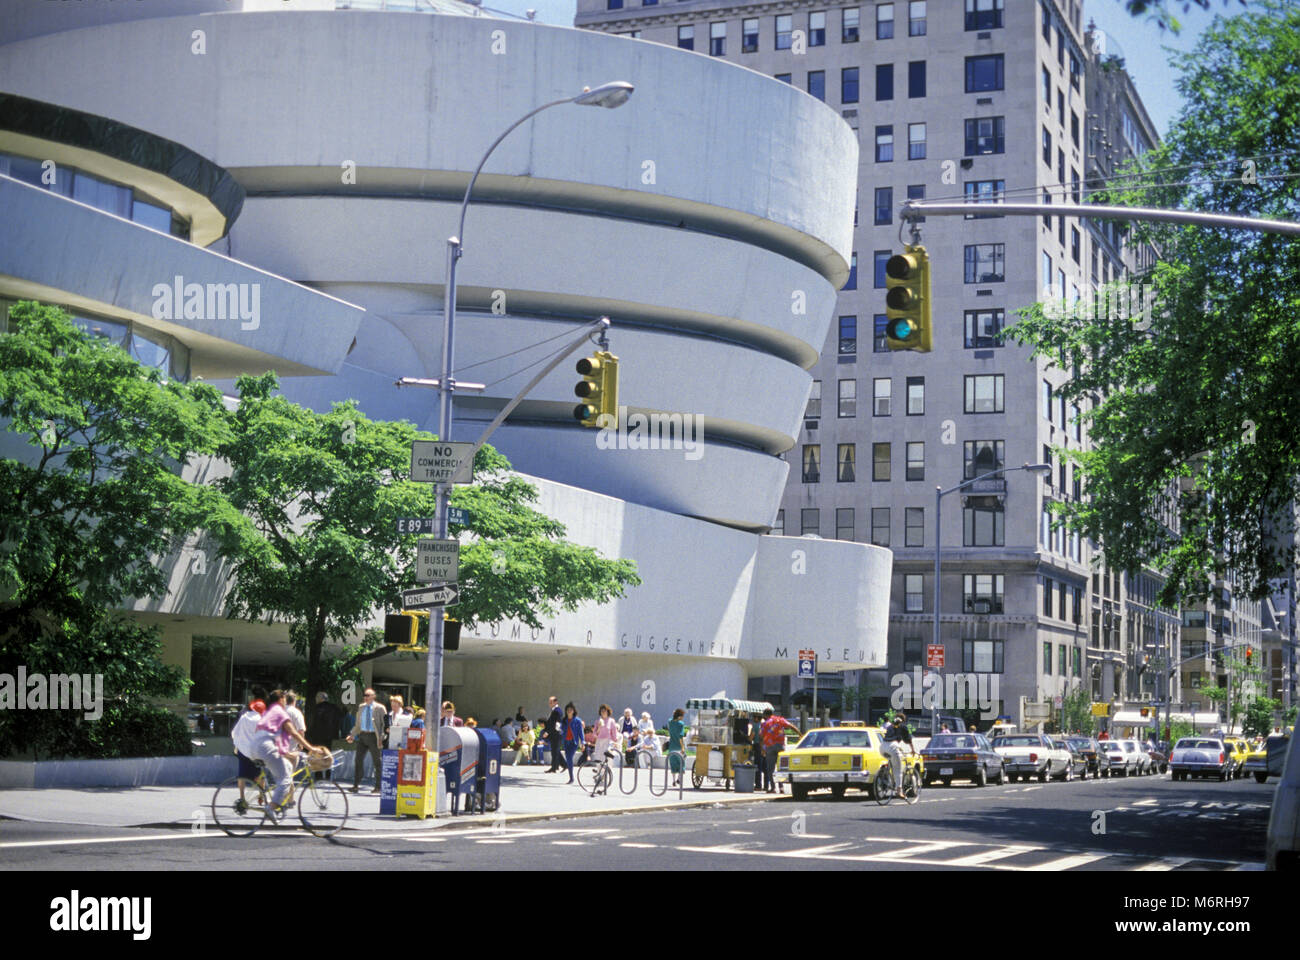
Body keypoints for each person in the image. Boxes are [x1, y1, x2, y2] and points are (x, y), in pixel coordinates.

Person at [251, 689, 328, 817]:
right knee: (286, 778)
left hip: (255, 747)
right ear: (281, 699)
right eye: (284, 699)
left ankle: (277, 801)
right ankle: (271, 807)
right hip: (266, 747)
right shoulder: (280, 712)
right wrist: (311, 748)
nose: (285, 701)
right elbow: (294, 733)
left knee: (284, 769)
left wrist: (285, 752)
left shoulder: (268, 712)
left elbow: (272, 734)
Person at [345, 688, 387, 794]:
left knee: (377, 762)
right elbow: (357, 725)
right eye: (364, 695)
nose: (365, 697)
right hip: (363, 735)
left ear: (373, 696)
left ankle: (378, 786)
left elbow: (384, 724)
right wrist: (352, 734)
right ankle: (356, 785)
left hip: (374, 736)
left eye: (367, 695)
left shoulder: (380, 708)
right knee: (358, 760)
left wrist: (381, 738)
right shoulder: (361, 707)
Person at [231, 690, 267, 801]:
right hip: (255, 752)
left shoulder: (244, 717)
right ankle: (261, 796)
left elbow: (234, 732)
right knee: (260, 775)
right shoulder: (261, 719)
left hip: (242, 751)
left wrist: (239, 743)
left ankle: (242, 798)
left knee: (242, 775)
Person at [759, 707, 799, 794]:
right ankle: (781, 787)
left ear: (765, 715)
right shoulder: (780, 720)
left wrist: (762, 749)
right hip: (781, 747)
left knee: (770, 769)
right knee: (781, 768)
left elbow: (761, 737)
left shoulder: (764, 723)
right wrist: (800, 734)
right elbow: (791, 726)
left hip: (770, 747)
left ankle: (773, 788)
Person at [882, 711, 915, 799]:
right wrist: (912, 750)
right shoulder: (903, 726)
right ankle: (899, 791)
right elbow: (908, 740)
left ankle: (886, 774)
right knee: (898, 769)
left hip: (882, 747)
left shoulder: (890, 726)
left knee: (892, 762)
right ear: (903, 720)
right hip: (893, 746)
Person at [561, 702, 584, 783]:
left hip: (574, 743)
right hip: (566, 742)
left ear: (573, 711)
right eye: (568, 710)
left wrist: (583, 742)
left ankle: (571, 778)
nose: (569, 711)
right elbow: (561, 730)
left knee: (569, 757)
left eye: (571, 709)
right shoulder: (564, 720)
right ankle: (571, 777)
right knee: (568, 758)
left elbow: (581, 732)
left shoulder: (577, 720)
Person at [667, 708, 689, 786]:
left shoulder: (670, 722)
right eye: (682, 716)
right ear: (679, 716)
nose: (683, 717)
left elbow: (671, 719)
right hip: (678, 746)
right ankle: (679, 779)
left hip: (671, 746)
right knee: (681, 763)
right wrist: (682, 747)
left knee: (673, 763)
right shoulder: (681, 724)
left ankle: (673, 780)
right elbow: (680, 737)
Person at [546, 696, 565, 773]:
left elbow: (557, 723)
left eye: (551, 702)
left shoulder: (557, 711)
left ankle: (554, 767)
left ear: (555, 702)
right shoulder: (554, 710)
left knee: (555, 751)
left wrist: (548, 732)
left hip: (556, 734)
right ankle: (563, 765)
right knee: (555, 751)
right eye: (549, 702)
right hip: (554, 733)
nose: (549, 703)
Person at [750, 718, 767, 791]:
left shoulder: (755, 725)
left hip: (758, 746)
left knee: (758, 767)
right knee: (765, 768)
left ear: (756, 718)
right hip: (766, 746)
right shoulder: (766, 725)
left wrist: (747, 738)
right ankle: (766, 786)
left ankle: (758, 785)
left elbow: (751, 737)